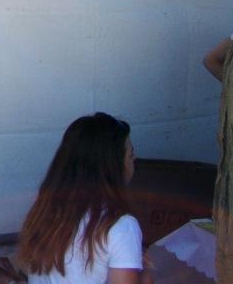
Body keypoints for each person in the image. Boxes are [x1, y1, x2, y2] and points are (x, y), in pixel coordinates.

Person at [17, 113, 153, 284]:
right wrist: (145, 273)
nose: (135, 160)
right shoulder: (122, 225)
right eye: (131, 155)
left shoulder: (45, 211)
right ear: (114, 166)